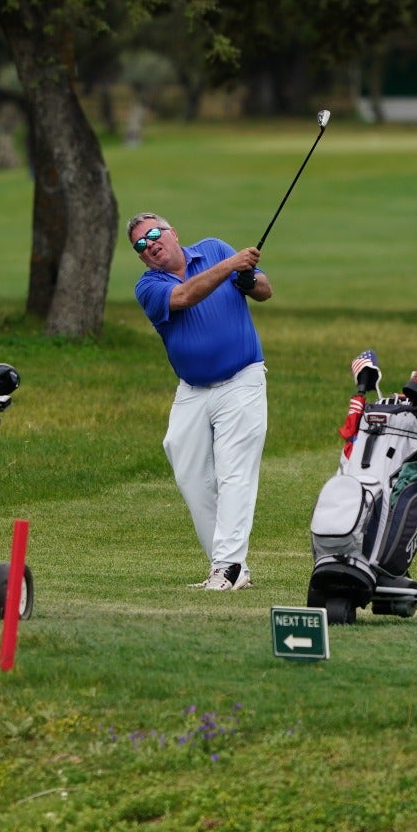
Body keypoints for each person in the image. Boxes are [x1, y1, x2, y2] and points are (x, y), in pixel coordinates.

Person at [129, 212, 273, 591]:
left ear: (173, 232)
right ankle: (230, 567)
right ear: (141, 257)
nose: (151, 244)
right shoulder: (149, 286)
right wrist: (232, 266)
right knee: (191, 476)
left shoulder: (213, 248)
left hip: (242, 379)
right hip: (192, 390)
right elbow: (186, 296)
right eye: (141, 245)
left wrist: (248, 278)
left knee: (234, 473)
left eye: (155, 234)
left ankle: (227, 569)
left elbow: (264, 289)